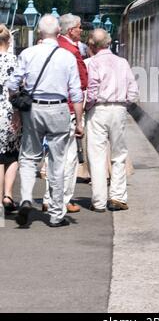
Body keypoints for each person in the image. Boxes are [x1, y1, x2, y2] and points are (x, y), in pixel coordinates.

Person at [7, 15, 84, 227]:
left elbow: (13, 84)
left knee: (29, 157)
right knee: (57, 161)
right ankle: (57, 214)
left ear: (39, 32)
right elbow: (76, 93)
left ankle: (25, 199)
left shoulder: (28, 54)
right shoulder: (67, 57)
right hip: (59, 109)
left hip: (32, 109)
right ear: (59, 31)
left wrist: (16, 109)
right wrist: (78, 121)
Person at [86, 28, 139, 212]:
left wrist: (87, 106)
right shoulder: (122, 62)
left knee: (97, 155)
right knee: (119, 154)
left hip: (98, 109)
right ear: (109, 42)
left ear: (92, 44)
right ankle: (117, 197)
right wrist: (127, 103)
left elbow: (92, 89)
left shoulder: (93, 63)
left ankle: (99, 202)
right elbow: (133, 88)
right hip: (119, 109)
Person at [42, 13, 88, 213]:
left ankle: (47, 197)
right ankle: (62, 200)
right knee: (68, 158)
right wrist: (79, 120)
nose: (81, 30)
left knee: (52, 156)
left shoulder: (52, 46)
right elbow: (82, 82)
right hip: (67, 108)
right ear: (71, 30)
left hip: (46, 108)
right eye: (79, 27)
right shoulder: (70, 51)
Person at [0, 25, 20, 214]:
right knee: (12, 155)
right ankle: (8, 195)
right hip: (9, 110)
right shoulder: (15, 61)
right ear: (9, 41)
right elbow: (17, 88)